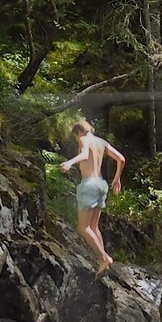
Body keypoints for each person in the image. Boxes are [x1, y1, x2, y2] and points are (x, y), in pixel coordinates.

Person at [59, 117, 124, 276]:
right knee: (93, 226)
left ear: (79, 132)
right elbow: (121, 159)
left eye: (76, 136)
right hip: (101, 184)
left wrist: (70, 162)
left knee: (83, 227)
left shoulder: (83, 139)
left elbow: (85, 154)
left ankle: (103, 258)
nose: (77, 140)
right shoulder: (102, 142)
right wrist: (117, 179)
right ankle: (103, 260)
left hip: (89, 185)